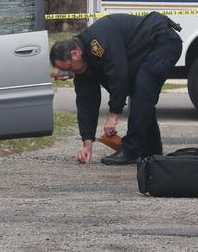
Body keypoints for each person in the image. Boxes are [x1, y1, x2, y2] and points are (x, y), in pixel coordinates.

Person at [50, 12, 182, 165]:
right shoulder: (82, 68)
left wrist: (114, 114)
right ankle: (152, 153)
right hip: (144, 51)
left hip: (162, 41)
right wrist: (87, 145)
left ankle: (131, 151)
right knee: (141, 98)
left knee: (142, 92)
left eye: (70, 68)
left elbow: (118, 74)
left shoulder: (98, 40)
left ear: (75, 54)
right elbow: (86, 104)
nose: (71, 73)